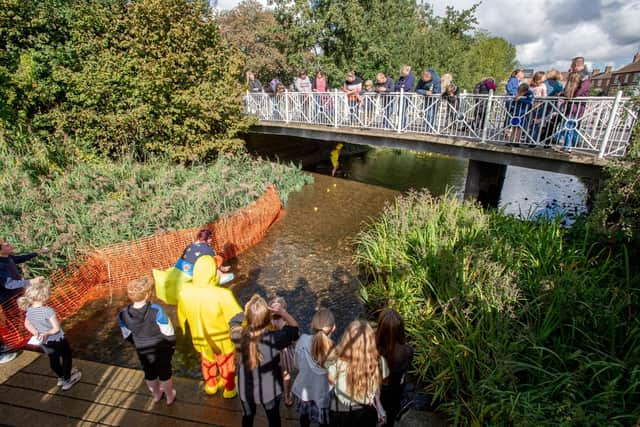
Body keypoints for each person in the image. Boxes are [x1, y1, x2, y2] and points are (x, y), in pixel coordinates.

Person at [230, 294, 299, 427]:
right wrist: (282, 313)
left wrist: (248, 312)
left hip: (246, 388)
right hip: (270, 390)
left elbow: (233, 321)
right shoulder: (275, 338)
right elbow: (294, 329)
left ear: (248, 317)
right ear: (268, 318)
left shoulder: (237, 335)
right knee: (273, 419)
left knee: (247, 417)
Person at [178, 255, 242, 396]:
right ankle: (229, 389)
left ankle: (211, 386)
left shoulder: (184, 292)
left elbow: (182, 316)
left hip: (200, 337)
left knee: (207, 361)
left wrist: (183, 330)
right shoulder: (222, 294)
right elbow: (237, 317)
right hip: (222, 339)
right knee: (226, 363)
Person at [118, 277, 176, 404]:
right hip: (160, 347)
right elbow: (168, 331)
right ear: (148, 294)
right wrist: (171, 345)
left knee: (149, 372)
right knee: (165, 372)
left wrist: (137, 342)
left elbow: (126, 335)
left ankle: (156, 395)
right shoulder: (156, 310)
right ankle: (170, 396)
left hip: (142, 348)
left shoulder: (122, 313)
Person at [18, 281, 82, 390]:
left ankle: (61, 377)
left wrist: (36, 333)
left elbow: (27, 324)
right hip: (57, 340)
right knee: (67, 357)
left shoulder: (29, 311)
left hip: (44, 342)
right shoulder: (48, 311)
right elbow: (56, 329)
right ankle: (67, 380)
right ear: (43, 297)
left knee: (53, 359)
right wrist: (48, 333)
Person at [326, 319, 388, 427]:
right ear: (371, 341)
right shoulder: (379, 361)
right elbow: (380, 385)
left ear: (346, 339)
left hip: (341, 410)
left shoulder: (335, 360)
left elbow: (330, 382)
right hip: (366, 411)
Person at [153, 229, 233, 305]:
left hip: (178, 267)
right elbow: (213, 264)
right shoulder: (208, 249)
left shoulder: (190, 245)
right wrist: (220, 269)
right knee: (227, 274)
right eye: (211, 239)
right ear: (208, 238)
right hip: (188, 273)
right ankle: (219, 278)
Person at [0, 239, 46, 364]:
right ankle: (16, 341)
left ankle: (28, 335)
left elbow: (20, 258)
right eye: (6, 245)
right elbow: (9, 284)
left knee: (25, 314)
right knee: (13, 319)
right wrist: (31, 282)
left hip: (18, 294)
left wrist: (37, 253)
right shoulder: (0, 265)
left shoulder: (8, 257)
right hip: (8, 298)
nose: (10, 245)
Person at [292, 308, 335, 427]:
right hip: (322, 395)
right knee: (324, 422)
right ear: (334, 327)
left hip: (305, 392)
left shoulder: (302, 340)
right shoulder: (334, 352)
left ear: (312, 325)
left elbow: (296, 365)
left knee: (304, 419)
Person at [376, 309, 413, 427]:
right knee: (390, 417)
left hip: (377, 391)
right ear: (401, 330)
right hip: (396, 390)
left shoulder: (373, 351)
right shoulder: (407, 351)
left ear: (381, 330)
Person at [269, 296, 296, 408]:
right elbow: (294, 338)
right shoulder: (287, 323)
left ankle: (274, 392)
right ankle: (287, 396)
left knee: (274, 373)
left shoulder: (269, 322)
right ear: (284, 311)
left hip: (272, 353)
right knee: (286, 375)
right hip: (285, 353)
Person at [557, 72, 585, 151]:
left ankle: (567, 146)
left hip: (574, 111)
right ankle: (567, 146)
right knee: (568, 128)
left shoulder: (576, 88)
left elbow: (572, 96)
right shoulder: (572, 88)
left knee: (568, 128)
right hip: (571, 110)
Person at [394, 65, 415, 130]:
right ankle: (401, 125)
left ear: (407, 71)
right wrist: (401, 86)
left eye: (403, 72)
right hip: (401, 96)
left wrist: (401, 86)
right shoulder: (402, 77)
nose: (402, 74)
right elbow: (396, 85)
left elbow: (407, 87)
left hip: (406, 96)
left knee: (403, 111)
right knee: (399, 111)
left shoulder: (411, 77)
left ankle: (402, 126)